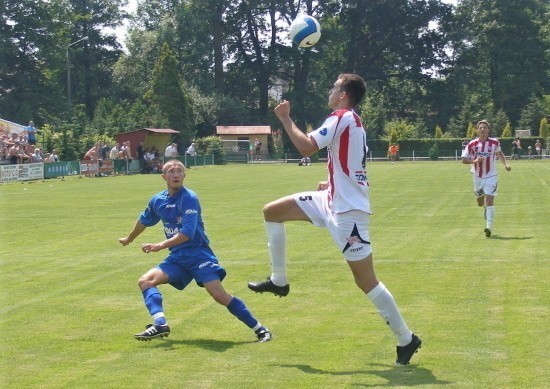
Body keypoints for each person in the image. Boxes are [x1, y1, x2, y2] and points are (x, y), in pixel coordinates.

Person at [248, 74, 421, 366]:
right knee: (272, 211)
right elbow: (353, 166)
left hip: (347, 213)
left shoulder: (342, 116)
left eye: (334, 87)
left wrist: (285, 118)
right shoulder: (352, 121)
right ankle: (279, 280)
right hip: (332, 200)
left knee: (366, 281)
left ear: (344, 94)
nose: (330, 91)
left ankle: (407, 339)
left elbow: (306, 147)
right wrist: (331, 184)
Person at [119, 159, 272, 343]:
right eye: (171, 171)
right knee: (145, 281)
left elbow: (187, 233)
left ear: (184, 175)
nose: (176, 174)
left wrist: (160, 245)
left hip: (198, 254)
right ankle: (160, 324)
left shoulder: (189, 197)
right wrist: (130, 238)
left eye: (179, 171)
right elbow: (144, 220)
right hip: (177, 257)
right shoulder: (157, 200)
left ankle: (261, 330)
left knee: (219, 295)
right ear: (164, 176)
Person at [461, 120, 511, 238]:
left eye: (484, 128)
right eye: (480, 128)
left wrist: (506, 164)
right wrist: (474, 161)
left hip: (491, 176)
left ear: (488, 130)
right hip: (477, 176)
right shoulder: (472, 144)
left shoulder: (494, 142)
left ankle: (489, 227)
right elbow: (463, 160)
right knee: (480, 202)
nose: (482, 129)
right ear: (478, 130)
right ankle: (485, 209)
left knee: (489, 201)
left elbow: (499, 154)